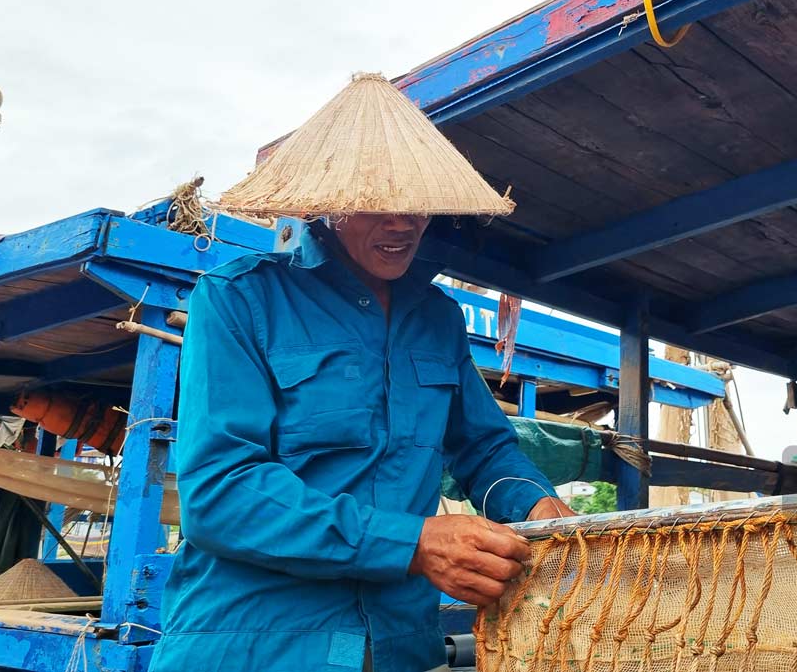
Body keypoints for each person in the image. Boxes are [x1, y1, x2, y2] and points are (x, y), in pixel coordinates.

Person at [150, 73, 574, 672]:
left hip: (400, 647)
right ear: (329, 201)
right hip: (255, 648)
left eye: (418, 203)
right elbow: (222, 493)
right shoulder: (239, 299)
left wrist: (535, 507)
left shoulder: (437, 319)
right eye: (378, 201)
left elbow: (484, 448)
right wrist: (414, 543)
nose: (402, 223)